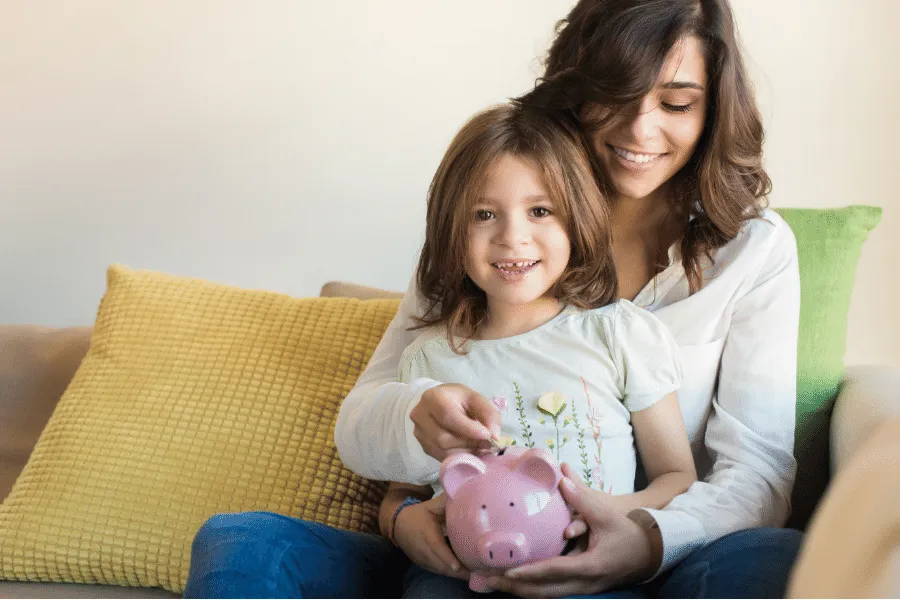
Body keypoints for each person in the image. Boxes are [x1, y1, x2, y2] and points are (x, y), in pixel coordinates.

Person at [185, 0, 802, 597]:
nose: (641, 128)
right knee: (244, 543)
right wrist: (402, 511)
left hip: (664, 553)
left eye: (676, 103)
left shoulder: (753, 251)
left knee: (775, 557)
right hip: (464, 553)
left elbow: (756, 473)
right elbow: (364, 424)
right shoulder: (482, 248)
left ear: (713, 111)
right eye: (615, 95)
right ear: (574, 91)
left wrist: (644, 540)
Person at [383, 102, 697, 596]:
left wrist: (607, 511)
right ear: (450, 230)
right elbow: (401, 493)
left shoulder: (619, 334)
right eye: (484, 214)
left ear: (576, 219)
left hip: (595, 576)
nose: (512, 237)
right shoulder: (427, 359)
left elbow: (677, 476)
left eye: (540, 211)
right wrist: (402, 523)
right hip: (465, 580)